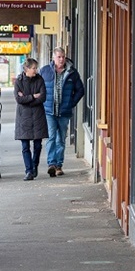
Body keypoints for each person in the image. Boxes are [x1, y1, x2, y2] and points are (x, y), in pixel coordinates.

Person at [40, 47, 84, 177]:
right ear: (53, 58)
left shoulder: (72, 72)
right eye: (59, 57)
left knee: (61, 139)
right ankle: (51, 164)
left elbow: (80, 90)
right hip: (49, 111)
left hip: (64, 111)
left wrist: (71, 103)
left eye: (63, 57)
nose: (61, 59)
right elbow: (39, 88)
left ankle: (59, 165)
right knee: (51, 137)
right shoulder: (45, 71)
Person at [14, 58, 48, 181]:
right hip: (24, 118)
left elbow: (43, 97)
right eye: (33, 68)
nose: (35, 70)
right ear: (27, 69)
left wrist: (27, 99)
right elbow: (19, 100)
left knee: (38, 145)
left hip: (38, 116)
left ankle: (34, 166)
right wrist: (33, 96)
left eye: (36, 68)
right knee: (25, 146)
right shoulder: (19, 81)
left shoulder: (39, 79)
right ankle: (28, 171)